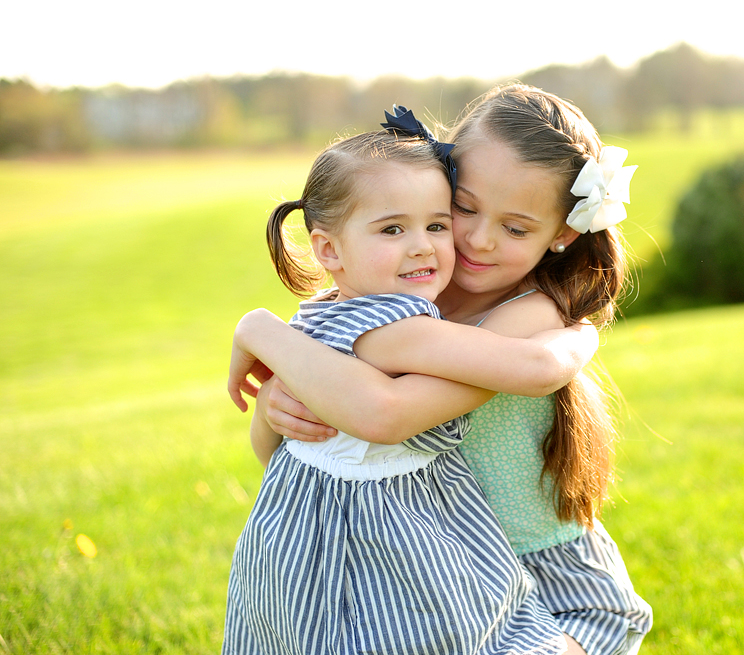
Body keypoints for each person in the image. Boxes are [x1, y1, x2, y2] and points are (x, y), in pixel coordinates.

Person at [231, 86, 653, 655]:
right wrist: (276, 407)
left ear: (563, 234)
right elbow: (288, 460)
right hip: (430, 575)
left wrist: (265, 334)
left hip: (538, 579)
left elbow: (386, 411)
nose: (479, 239)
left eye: (517, 227)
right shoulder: (406, 287)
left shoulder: (530, 314)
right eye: (464, 208)